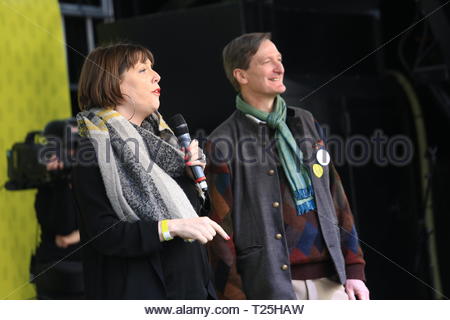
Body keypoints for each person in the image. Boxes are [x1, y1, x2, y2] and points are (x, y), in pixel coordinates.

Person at [206, 33, 370, 300]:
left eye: (279, 59)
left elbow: (336, 197)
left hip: (333, 282)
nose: (279, 67)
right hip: (272, 289)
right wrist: (235, 300)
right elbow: (219, 231)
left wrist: (354, 270)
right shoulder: (221, 142)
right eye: (267, 61)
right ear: (242, 75)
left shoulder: (305, 121)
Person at [72, 43, 229, 299]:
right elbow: (103, 234)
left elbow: (194, 219)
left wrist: (192, 175)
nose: (157, 76)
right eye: (143, 70)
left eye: (152, 68)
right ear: (116, 84)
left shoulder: (167, 146)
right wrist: (171, 227)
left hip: (193, 290)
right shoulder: (95, 150)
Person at [31, 119, 84, 299]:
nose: (76, 151)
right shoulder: (48, 186)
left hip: (89, 276)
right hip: (58, 275)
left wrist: (79, 234)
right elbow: (64, 232)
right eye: (71, 145)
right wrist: (61, 181)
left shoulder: (90, 180)